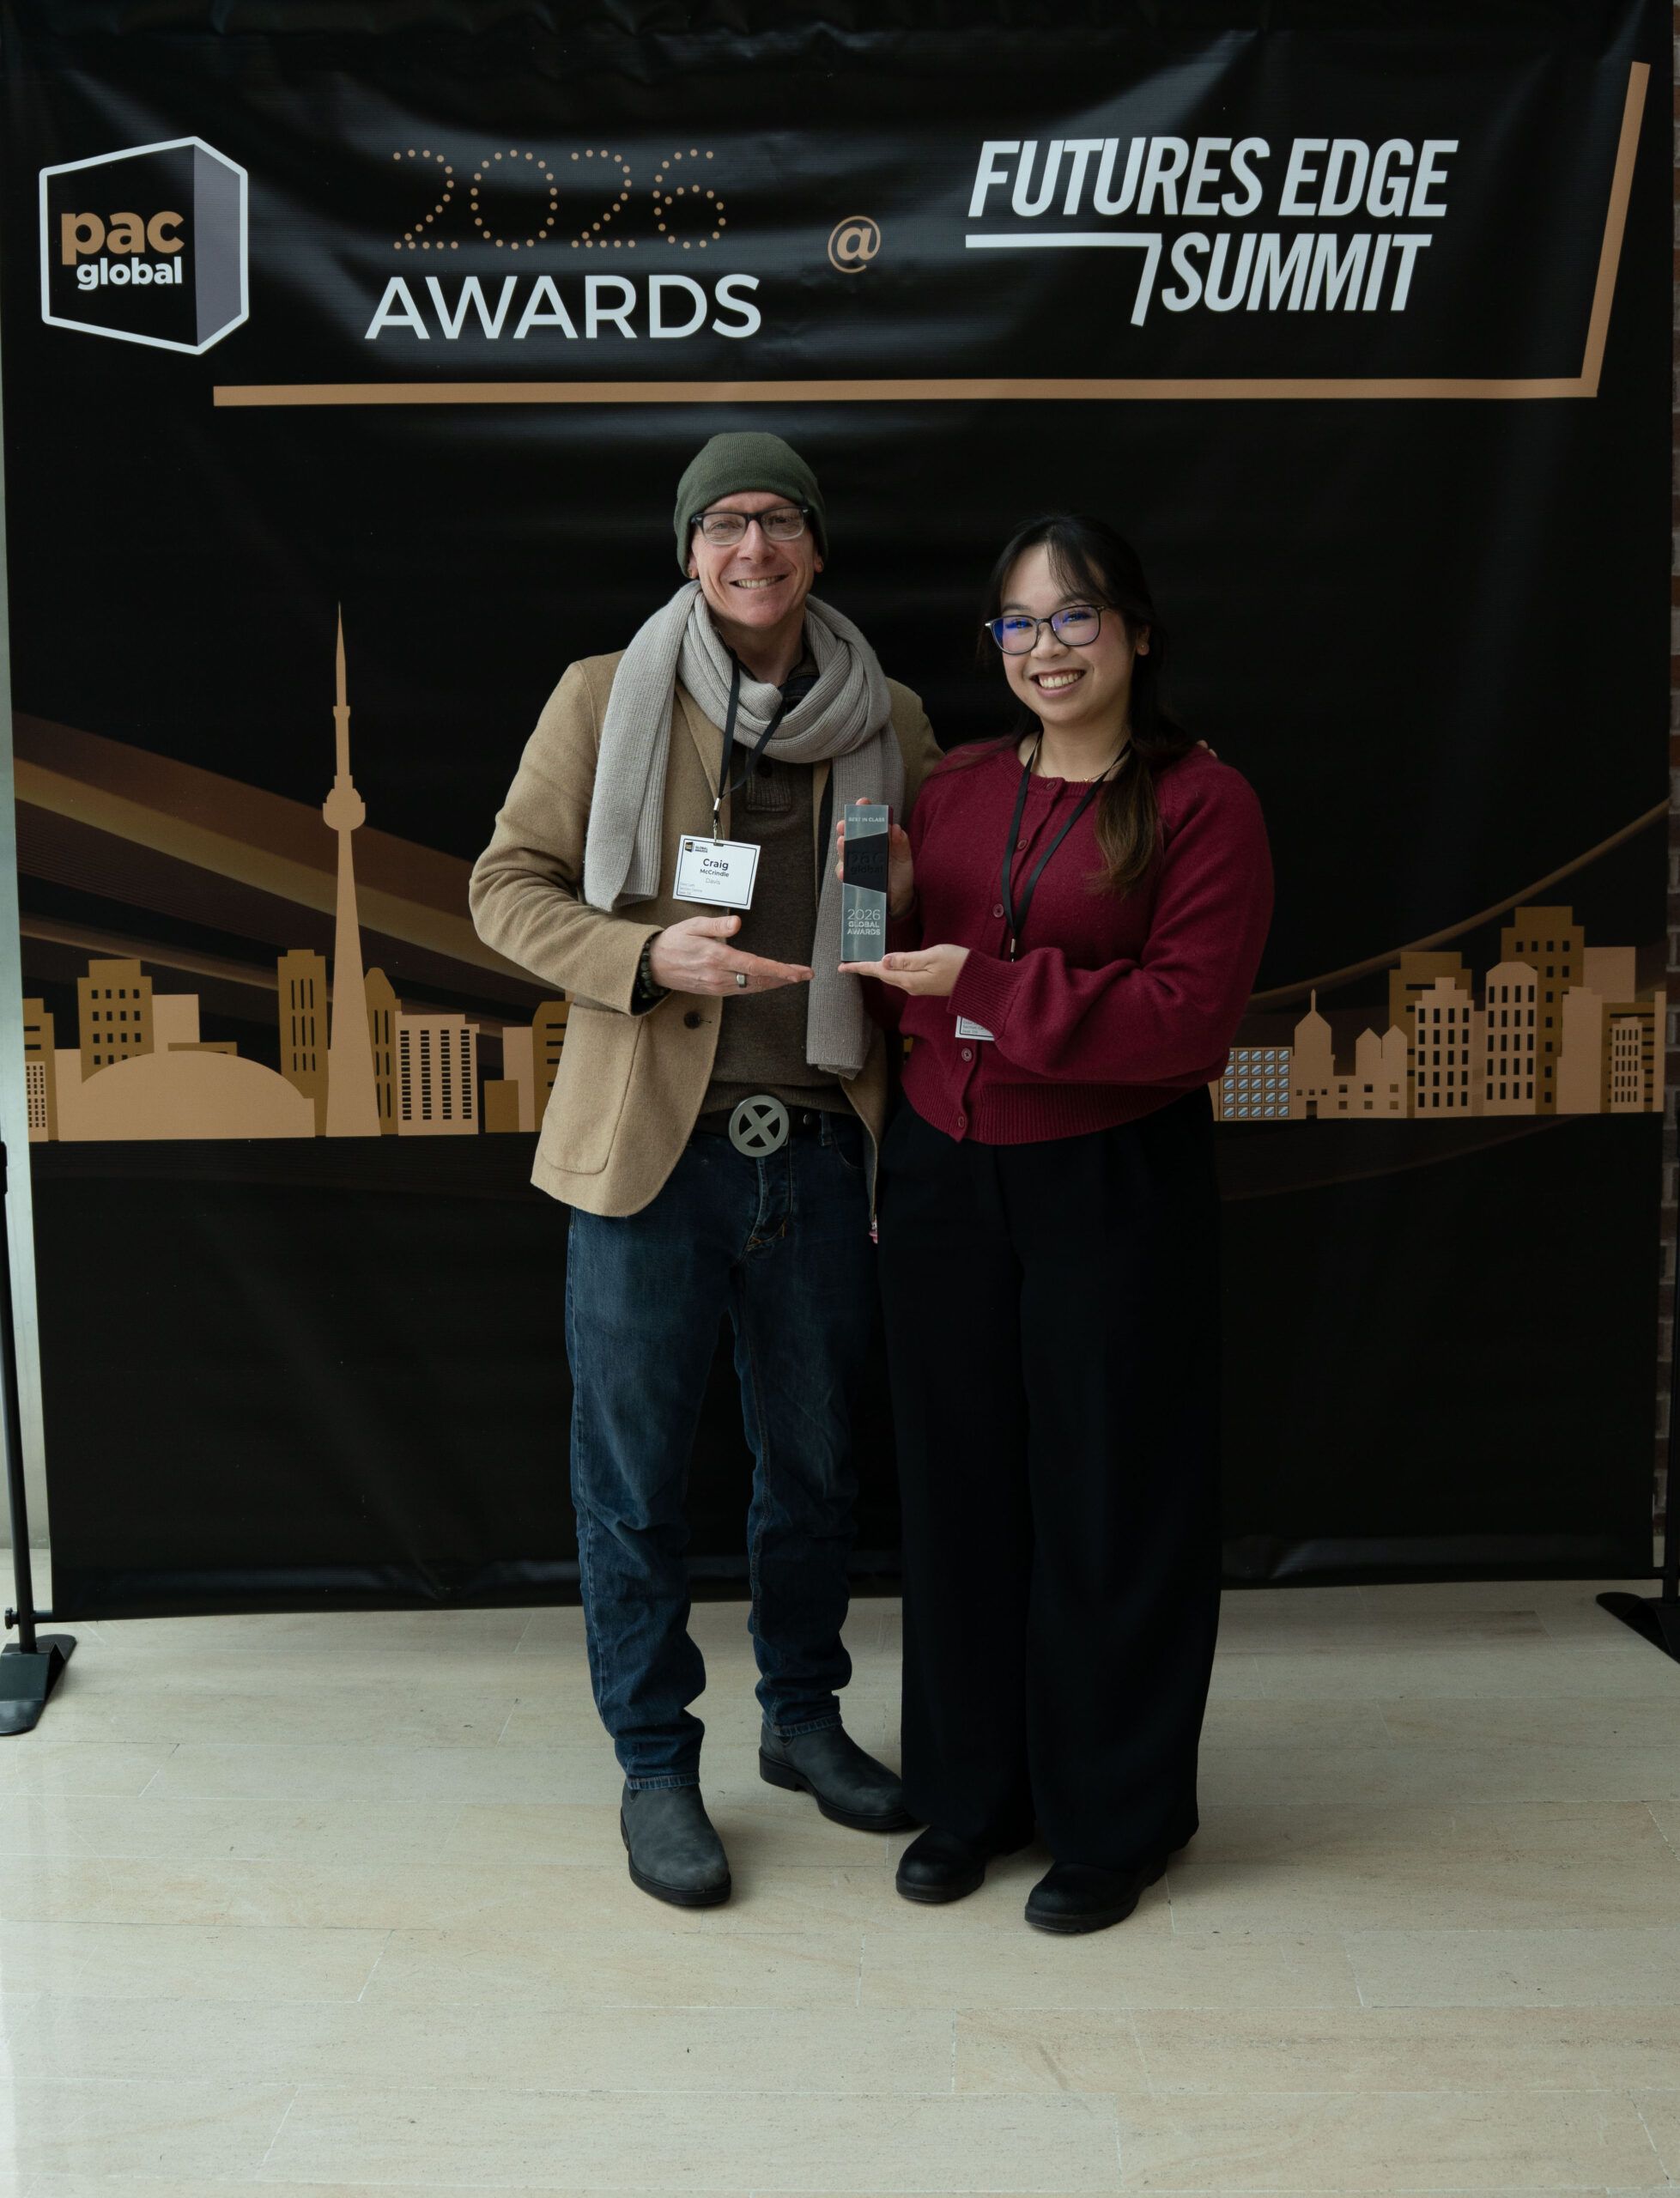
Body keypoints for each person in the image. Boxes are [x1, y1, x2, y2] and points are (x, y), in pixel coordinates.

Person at [470, 432, 940, 1910]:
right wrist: (638, 954)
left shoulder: (890, 715)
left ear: (816, 544)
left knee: (814, 1471)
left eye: (779, 518)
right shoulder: (605, 693)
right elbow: (503, 887)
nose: (753, 545)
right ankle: (653, 1764)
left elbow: (924, 909)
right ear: (688, 550)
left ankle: (800, 1720)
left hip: (821, 1145)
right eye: (723, 522)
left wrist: (914, 902)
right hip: (648, 1159)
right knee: (631, 1485)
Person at [840, 514, 1272, 1934]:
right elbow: (876, 961)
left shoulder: (1203, 803)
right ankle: (970, 1796)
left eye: (1074, 616)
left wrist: (978, 984)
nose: (1044, 648)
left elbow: (1184, 1024)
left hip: (1109, 1178)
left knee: (1110, 1498)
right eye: (1017, 624)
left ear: (1135, 632)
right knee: (957, 1496)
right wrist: (866, 908)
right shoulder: (956, 786)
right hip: (944, 1172)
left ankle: (1112, 1821)